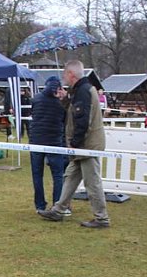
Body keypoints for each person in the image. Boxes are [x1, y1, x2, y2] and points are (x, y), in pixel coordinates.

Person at [38, 59, 110, 228]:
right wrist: (64, 99)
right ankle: (59, 209)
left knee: (92, 182)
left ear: (71, 74)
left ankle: (102, 218)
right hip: (83, 145)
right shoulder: (80, 91)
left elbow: (83, 121)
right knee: (70, 177)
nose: (63, 77)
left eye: (65, 74)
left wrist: (75, 143)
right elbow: (74, 112)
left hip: (87, 145)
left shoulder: (83, 91)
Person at [27, 76, 67, 212]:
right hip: (54, 141)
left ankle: (39, 205)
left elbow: (33, 116)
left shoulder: (36, 99)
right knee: (58, 175)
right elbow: (65, 120)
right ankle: (58, 204)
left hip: (36, 141)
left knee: (37, 174)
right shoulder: (62, 102)